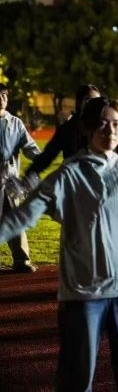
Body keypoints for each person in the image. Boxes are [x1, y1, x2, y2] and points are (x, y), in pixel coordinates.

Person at [0, 96, 118, 391]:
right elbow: (23, 216)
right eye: (102, 123)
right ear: (87, 128)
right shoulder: (68, 175)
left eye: (116, 123)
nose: (110, 130)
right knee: (77, 377)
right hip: (83, 294)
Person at [25, 84, 118, 177]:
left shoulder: (104, 129)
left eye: (97, 100)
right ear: (79, 103)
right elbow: (47, 156)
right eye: (88, 100)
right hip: (74, 183)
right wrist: (30, 174)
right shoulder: (67, 129)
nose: (94, 105)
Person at [0, 83, 41, 273]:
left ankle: (21, 260)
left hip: (9, 180)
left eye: (4, 95)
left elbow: (29, 146)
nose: (1, 99)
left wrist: (41, 160)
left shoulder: (15, 123)